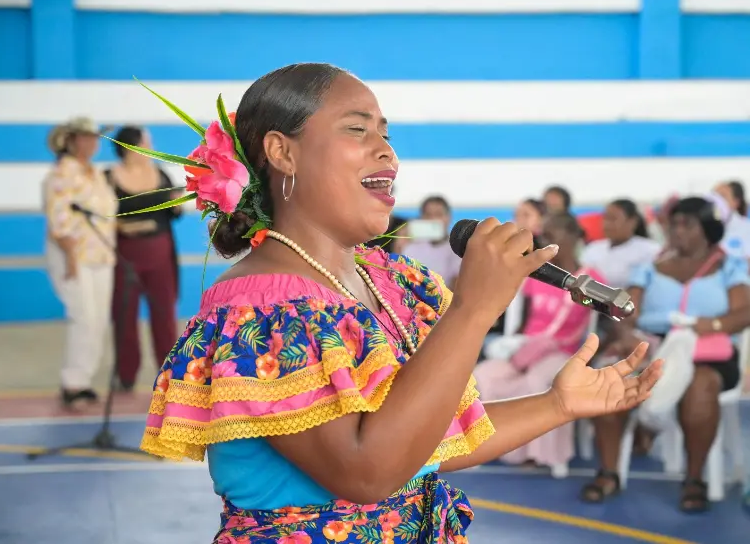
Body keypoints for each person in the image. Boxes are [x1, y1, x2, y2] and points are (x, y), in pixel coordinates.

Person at [137, 63, 660, 542]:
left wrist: (556, 403)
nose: (387, 150)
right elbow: (367, 472)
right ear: (283, 152)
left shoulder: (390, 282)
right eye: (357, 129)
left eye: (386, 133)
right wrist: (475, 309)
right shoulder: (256, 309)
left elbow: (422, 442)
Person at [580, 196, 750, 513]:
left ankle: (694, 478)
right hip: (654, 346)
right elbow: (626, 309)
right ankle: (608, 472)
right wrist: (626, 334)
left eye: (688, 224)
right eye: (674, 224)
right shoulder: (650, 266)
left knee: (701, 385)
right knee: (610, 377)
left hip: (707, 351)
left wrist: (710, 324)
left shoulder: (730, 266)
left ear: (708, 229)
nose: (677, 230)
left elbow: (743, 313)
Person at [474, 213, 604, 474]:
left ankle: (541, 454)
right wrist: (517, 347)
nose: (547, 241)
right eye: (545, 236)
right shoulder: (539, 274)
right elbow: (524, 319)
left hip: (563, 352)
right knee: (482, 375)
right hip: (525, 349)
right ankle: (488, 447)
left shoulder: (590, 277)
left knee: (538, 382)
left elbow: (598, 319)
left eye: (553, 235)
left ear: (572, 238)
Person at [43, 117, 118, 408]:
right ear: (71, 141)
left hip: (101, 254)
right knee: (83, 316)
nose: (91, 143)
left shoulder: (95, 173)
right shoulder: (63, 172)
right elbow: (59, 219)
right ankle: (73, 382)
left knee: (98, 318)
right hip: (74, 255)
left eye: (94, 138)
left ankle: (83, 380)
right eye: (84, 138)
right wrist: (70, 258)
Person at [105, 126, 183, 391]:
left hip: (160, 252)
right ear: (130, 148)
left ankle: (170, 375)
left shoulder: (161, 173)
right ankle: (126, 374)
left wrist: (178, 203)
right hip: (125, 255)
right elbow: (100, 214)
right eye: (146, 142)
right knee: (124, 315)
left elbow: (175, 212)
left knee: (164, 314)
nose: (151, 146)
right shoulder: (108, 178)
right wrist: (121, 227)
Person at [580, 199, 661, 289]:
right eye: (605, 218)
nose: (607, 224)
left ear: (632, 221)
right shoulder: (593, 248)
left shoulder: (650, 250)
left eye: (613, 219)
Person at [402, 195, 462, 289]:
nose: (433, 219)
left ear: (448, 218)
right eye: (428, 215)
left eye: (438, 214)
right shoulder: (411, 246)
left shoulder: (458, 249)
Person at [713, 181, 750, 261]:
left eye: (722, 197)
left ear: (735, 202)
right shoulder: (702, 230)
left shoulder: (747, 229)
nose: (717, 201)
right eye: (714, 196)